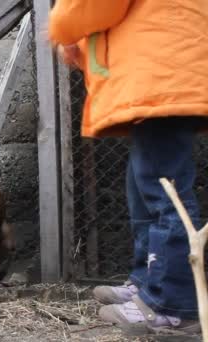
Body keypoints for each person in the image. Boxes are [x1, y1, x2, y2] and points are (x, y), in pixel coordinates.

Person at [47, 0, 208, 333]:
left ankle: (174, 306)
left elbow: (91, 5)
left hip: (162, 72)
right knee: (144, 188)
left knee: (167, 194)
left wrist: (60, 28)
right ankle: (148, 282)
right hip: (162, 69)